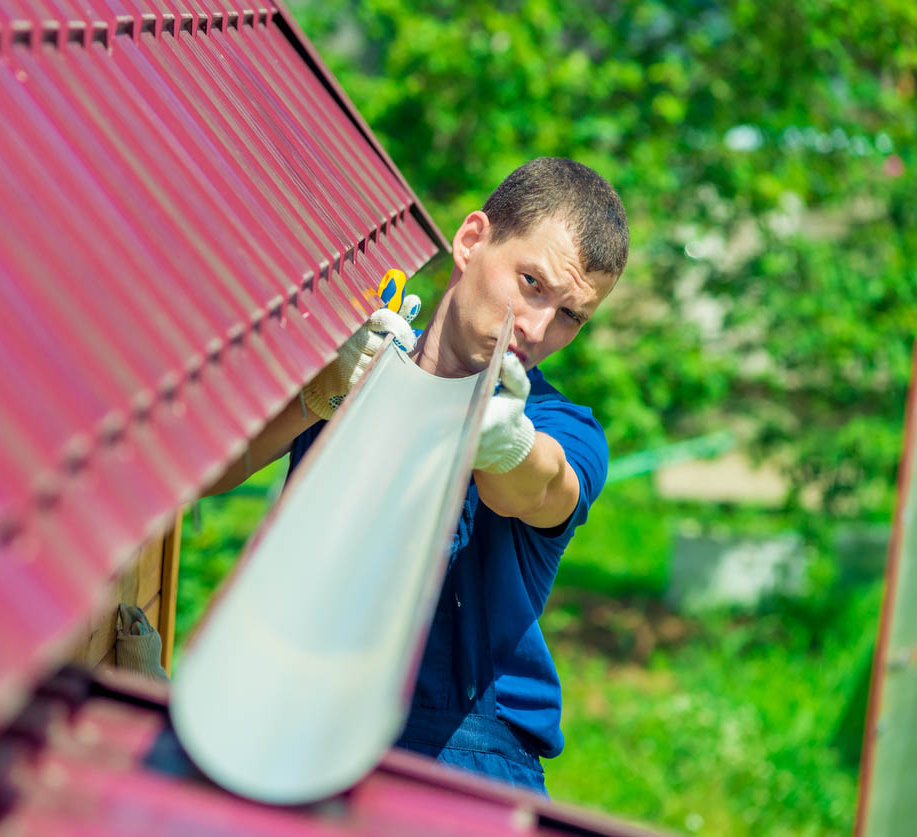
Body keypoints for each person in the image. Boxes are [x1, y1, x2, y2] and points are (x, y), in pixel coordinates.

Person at [207, 157, 628, 796]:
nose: (540, 329)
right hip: (295, 715)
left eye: (571, 315)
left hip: (469, 760)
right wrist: (316, 395)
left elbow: (544, 488)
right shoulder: (350, 356)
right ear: (470, 240)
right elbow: (209, 470)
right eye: (532, 284)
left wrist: (506, 445)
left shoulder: (561, 425)